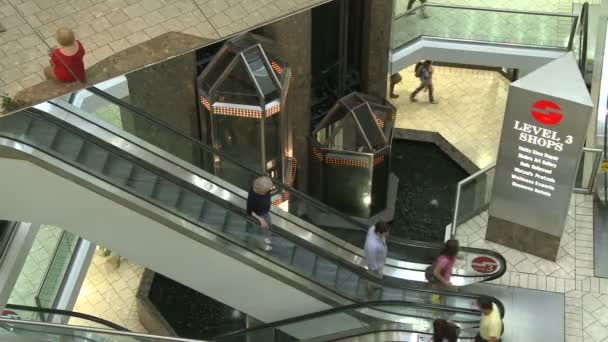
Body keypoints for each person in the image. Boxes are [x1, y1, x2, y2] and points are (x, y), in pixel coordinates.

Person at [247, 176, 273, 251]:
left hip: (265, 213)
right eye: (267, 189)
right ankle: (262, 245)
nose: (269, 190)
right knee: (259, 232)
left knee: (268, 226)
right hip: (258, 216)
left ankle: (266, 237)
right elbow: (249, 211)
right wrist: (260, 219)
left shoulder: (266, 192)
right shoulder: (253, 198)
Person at [364, 221, 389, 297]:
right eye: (386, 233)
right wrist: (376, 270)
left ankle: (375, 286)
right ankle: (370, 294)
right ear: (379, 233)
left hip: (379, 263)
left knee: (375, 280)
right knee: (372, 280)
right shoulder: (372, 245)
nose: (387, 234)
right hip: (376, 267)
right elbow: (371, 260)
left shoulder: (373, 229)